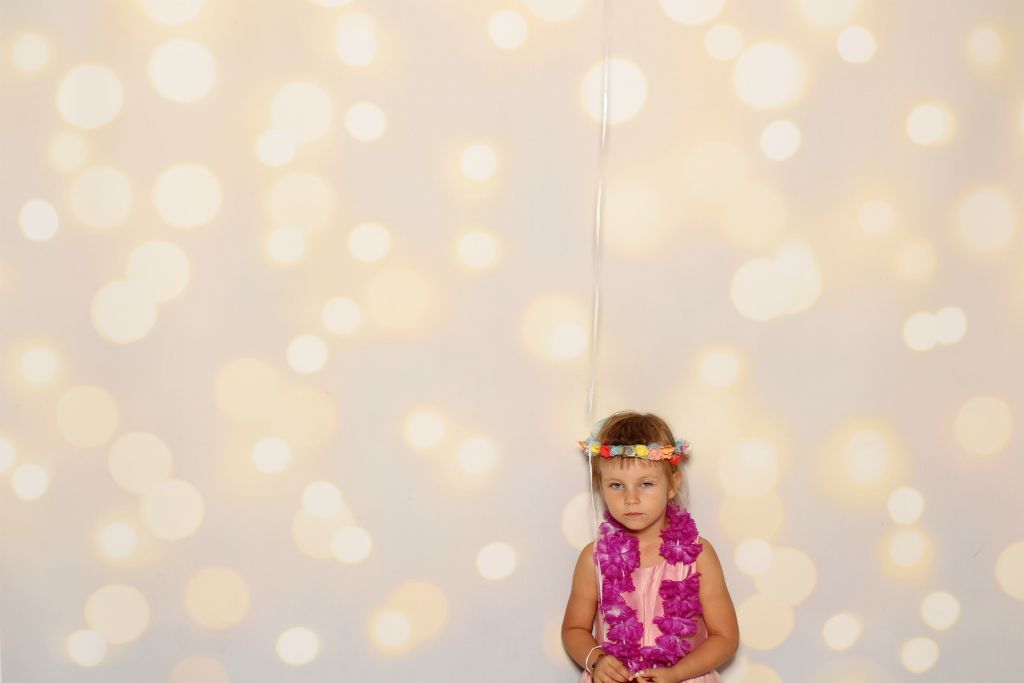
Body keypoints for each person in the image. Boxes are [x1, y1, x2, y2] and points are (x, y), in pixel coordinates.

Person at [562, 411, 739, 682]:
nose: (630, 498)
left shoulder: (698, 555)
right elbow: (574, 629)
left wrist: (677, 673)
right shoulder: (594, 558)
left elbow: (725, 637)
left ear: (672, 485)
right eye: (616, 485)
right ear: (600, 487)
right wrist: (596, 661)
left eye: (645, 484)